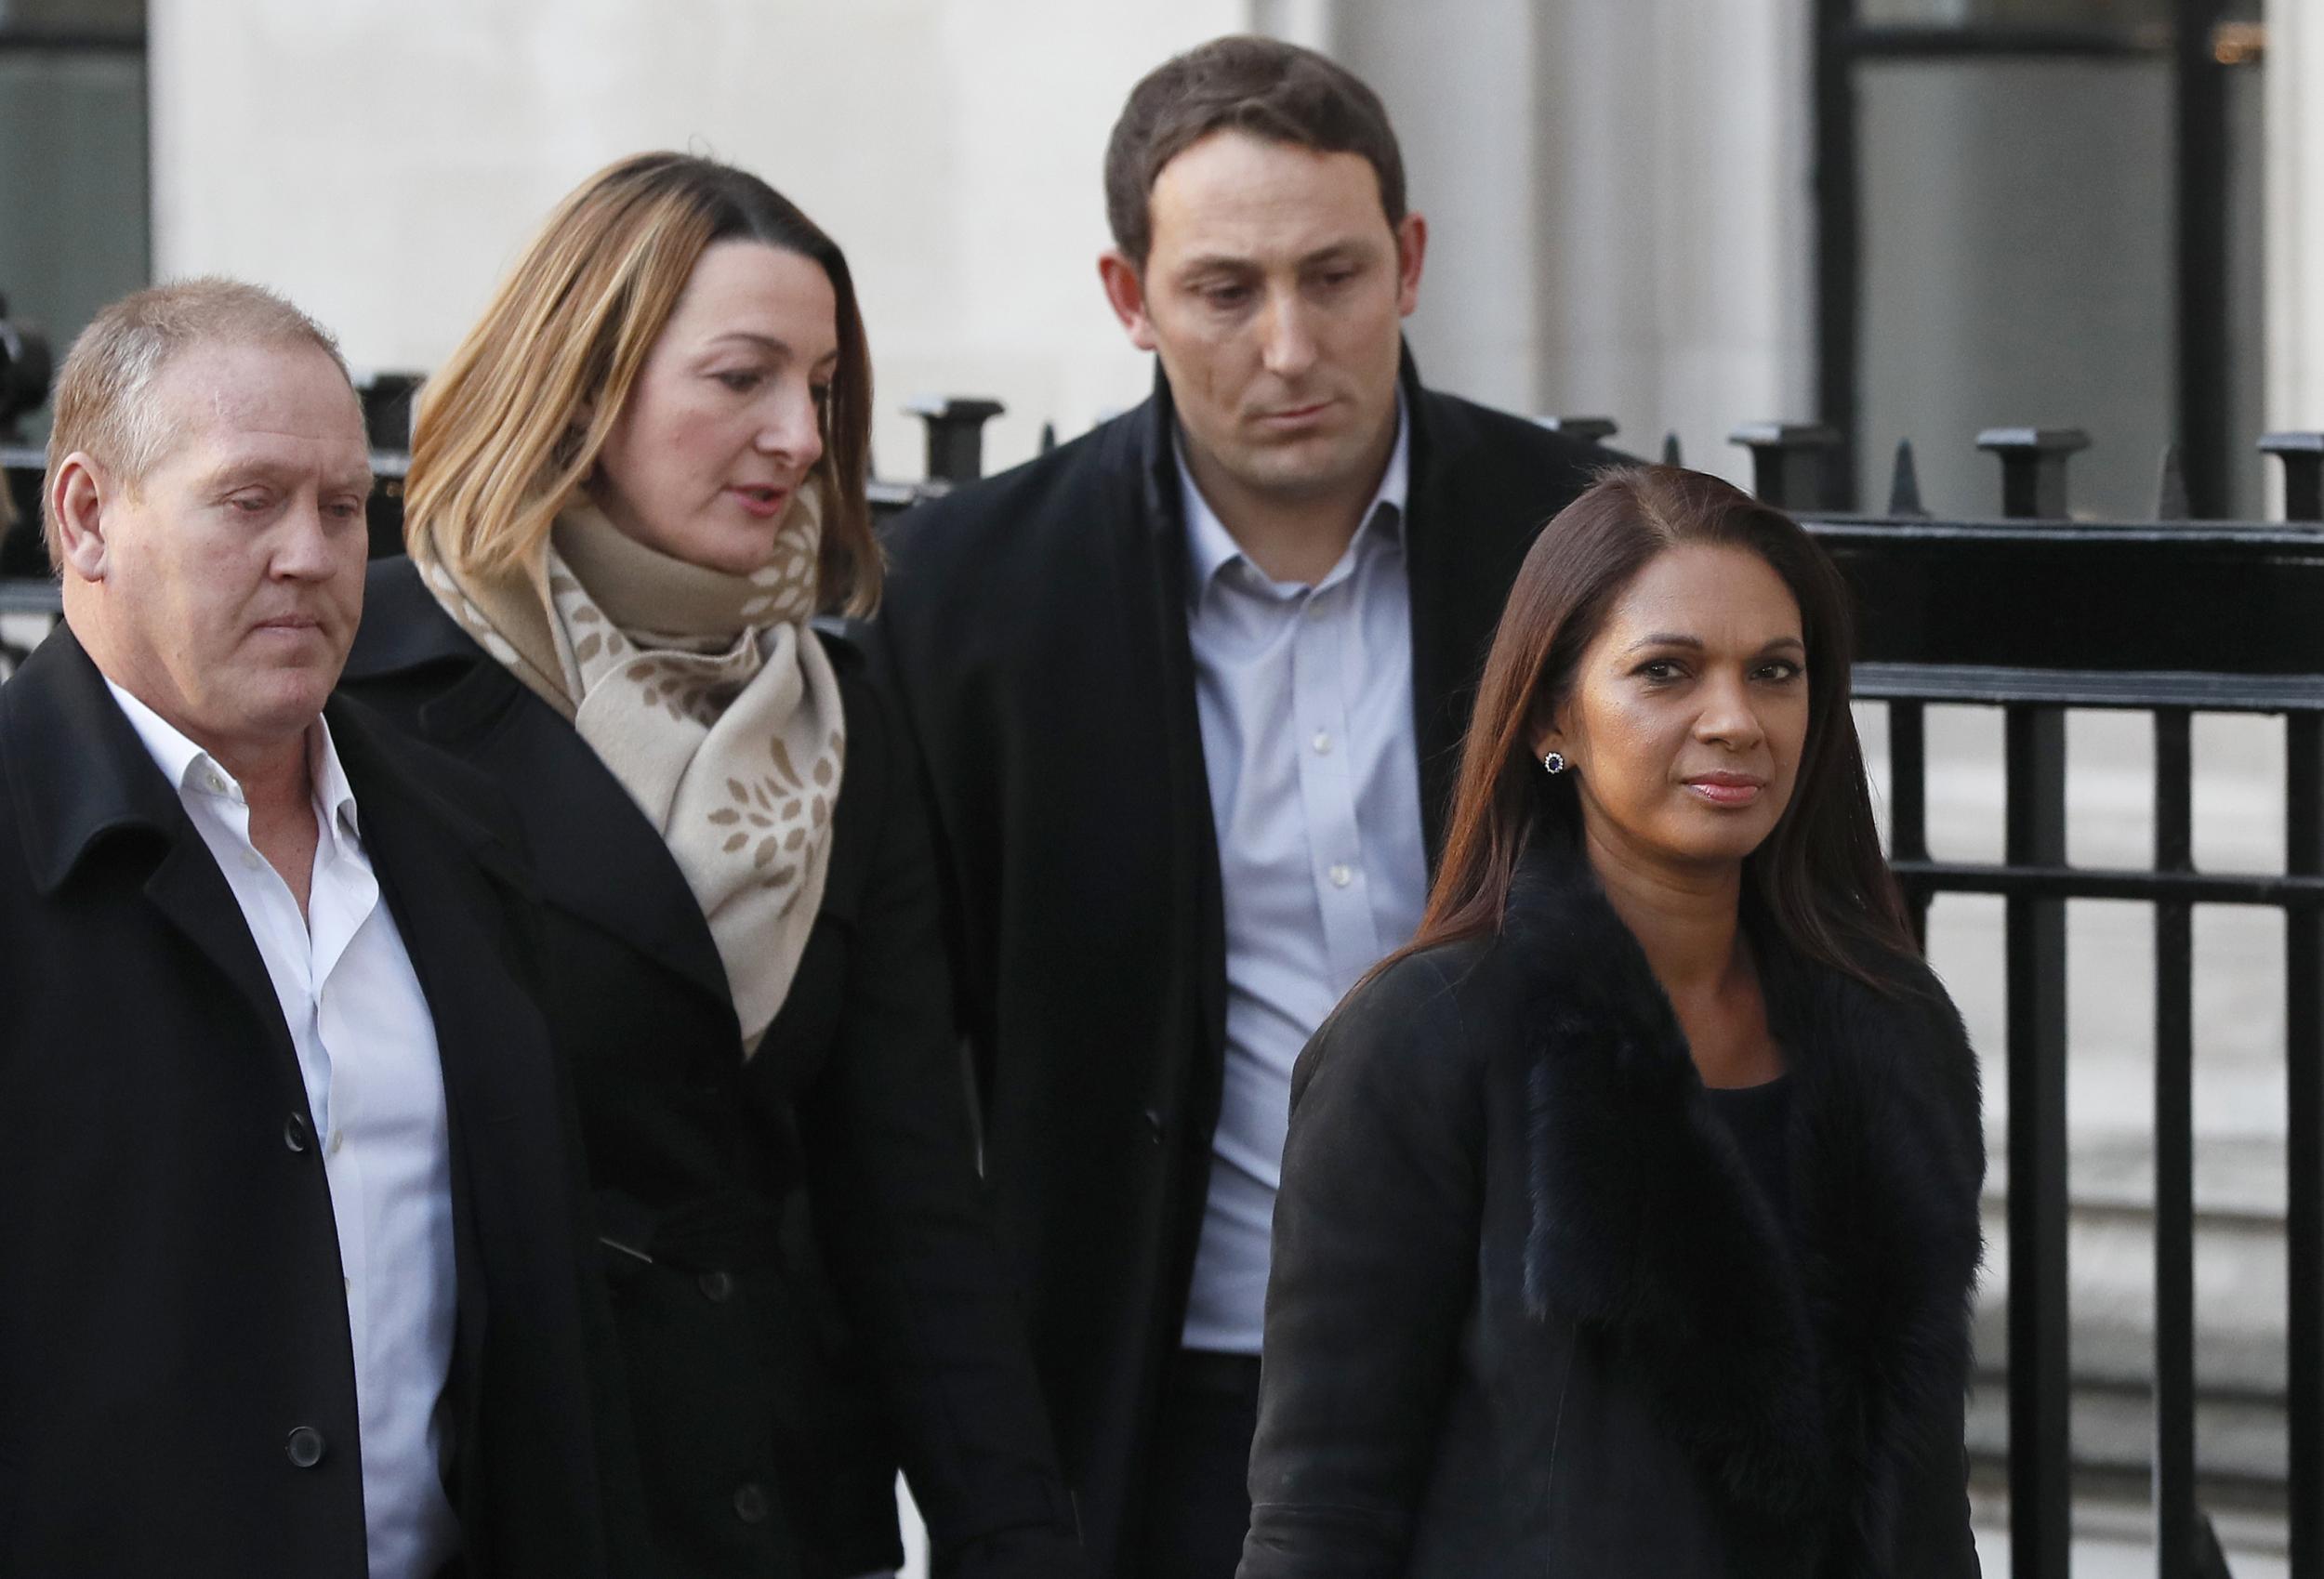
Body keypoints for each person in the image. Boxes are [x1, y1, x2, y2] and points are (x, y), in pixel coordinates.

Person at [869, 33, 1625, 1579]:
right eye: (1225, 289)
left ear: (1409, 264)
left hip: (1561, 1375)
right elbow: (897, 1082)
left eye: (1334, 275)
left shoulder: (1591, 544)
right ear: (1127, 297)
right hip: (1167, 1407)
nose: (1290, 346)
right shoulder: (973, 595)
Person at [338, 152, 1082, 1579]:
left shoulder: (842, 715)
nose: (800, 435)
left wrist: (1013, 1536)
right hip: (479, 1491)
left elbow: (908, 1189)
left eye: (822, 388)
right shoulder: (371, 686)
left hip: (767, 1501)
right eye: (743, 378)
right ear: (588, 377)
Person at [1236, 465, 1986, 1576]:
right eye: (1666, 672)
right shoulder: (1422, 1039)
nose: (1733, 719)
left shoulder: (1891, 1026)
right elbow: (1322, 1512)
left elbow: (1923, 1502)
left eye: (1774, 672)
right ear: (1554, 717)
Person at [0, 279, 606, 1578]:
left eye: (343, 507)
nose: (312, 555)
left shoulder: (459, 832)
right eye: (249, 499)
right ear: (88, 515)